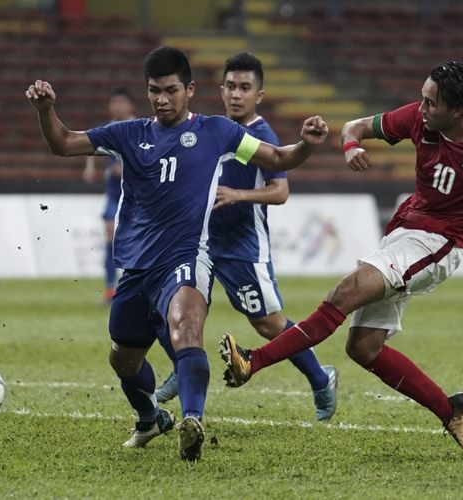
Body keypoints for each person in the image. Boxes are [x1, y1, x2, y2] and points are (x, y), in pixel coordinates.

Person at [219, 61, 463, 457]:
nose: (420, 109)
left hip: (437, 244)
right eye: (422, 98)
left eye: (430, 103)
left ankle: (253, 361)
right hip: (402, 234)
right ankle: (451, 411)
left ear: (457, 111)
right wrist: (351, 147)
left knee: (345, 292)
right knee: (363, 347)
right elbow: (354, 128)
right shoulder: (419, 118)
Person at [25, 46, 328, 461]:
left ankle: (192, 420)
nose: (162, 100)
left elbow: (277, 157)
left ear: (190, 89)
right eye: (154, 91)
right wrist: (46, 110)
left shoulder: (218, 132)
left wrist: (307, 145)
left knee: (187, 328)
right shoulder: (128, 134)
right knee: (123, 360)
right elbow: (62, 143)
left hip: (188, 258)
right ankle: (150, 418)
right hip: (136, 267)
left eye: (170, 90)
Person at [153, 52, 338, 421]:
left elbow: (280, 191)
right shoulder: (215, 130)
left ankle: (320, 378)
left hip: (243, 247)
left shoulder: (261, 135)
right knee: (171, 304)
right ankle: (182, 364)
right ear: (221, 89)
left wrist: (238, 195)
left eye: (245, 88)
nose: (236, 94)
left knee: (268, 324)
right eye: (231, 86)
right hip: (202, 243)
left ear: (260, 95)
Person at [81, 88, 136, 302]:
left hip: (137, 198)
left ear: (130, 106)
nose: (118, 107)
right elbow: (87, 143)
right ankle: (110, 288)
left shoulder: (139, 128)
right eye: (114, 103)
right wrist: (89, 167)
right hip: (114, 195)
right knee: (111, 238)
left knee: (136, 242)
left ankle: (133, 286)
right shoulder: (108, 128)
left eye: (122, 103)